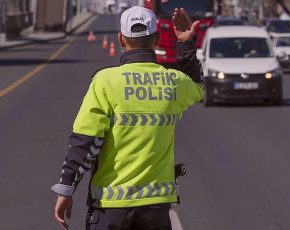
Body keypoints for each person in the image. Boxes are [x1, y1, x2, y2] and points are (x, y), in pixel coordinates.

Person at [51, 6, 203, 230]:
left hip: (110, 208)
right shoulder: (172, 82)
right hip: (156, 208)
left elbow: (85, 141)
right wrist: (185, 43)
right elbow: (198, 86)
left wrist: (66, 188)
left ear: (121, 40)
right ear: (158, 39)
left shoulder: (105, 81)